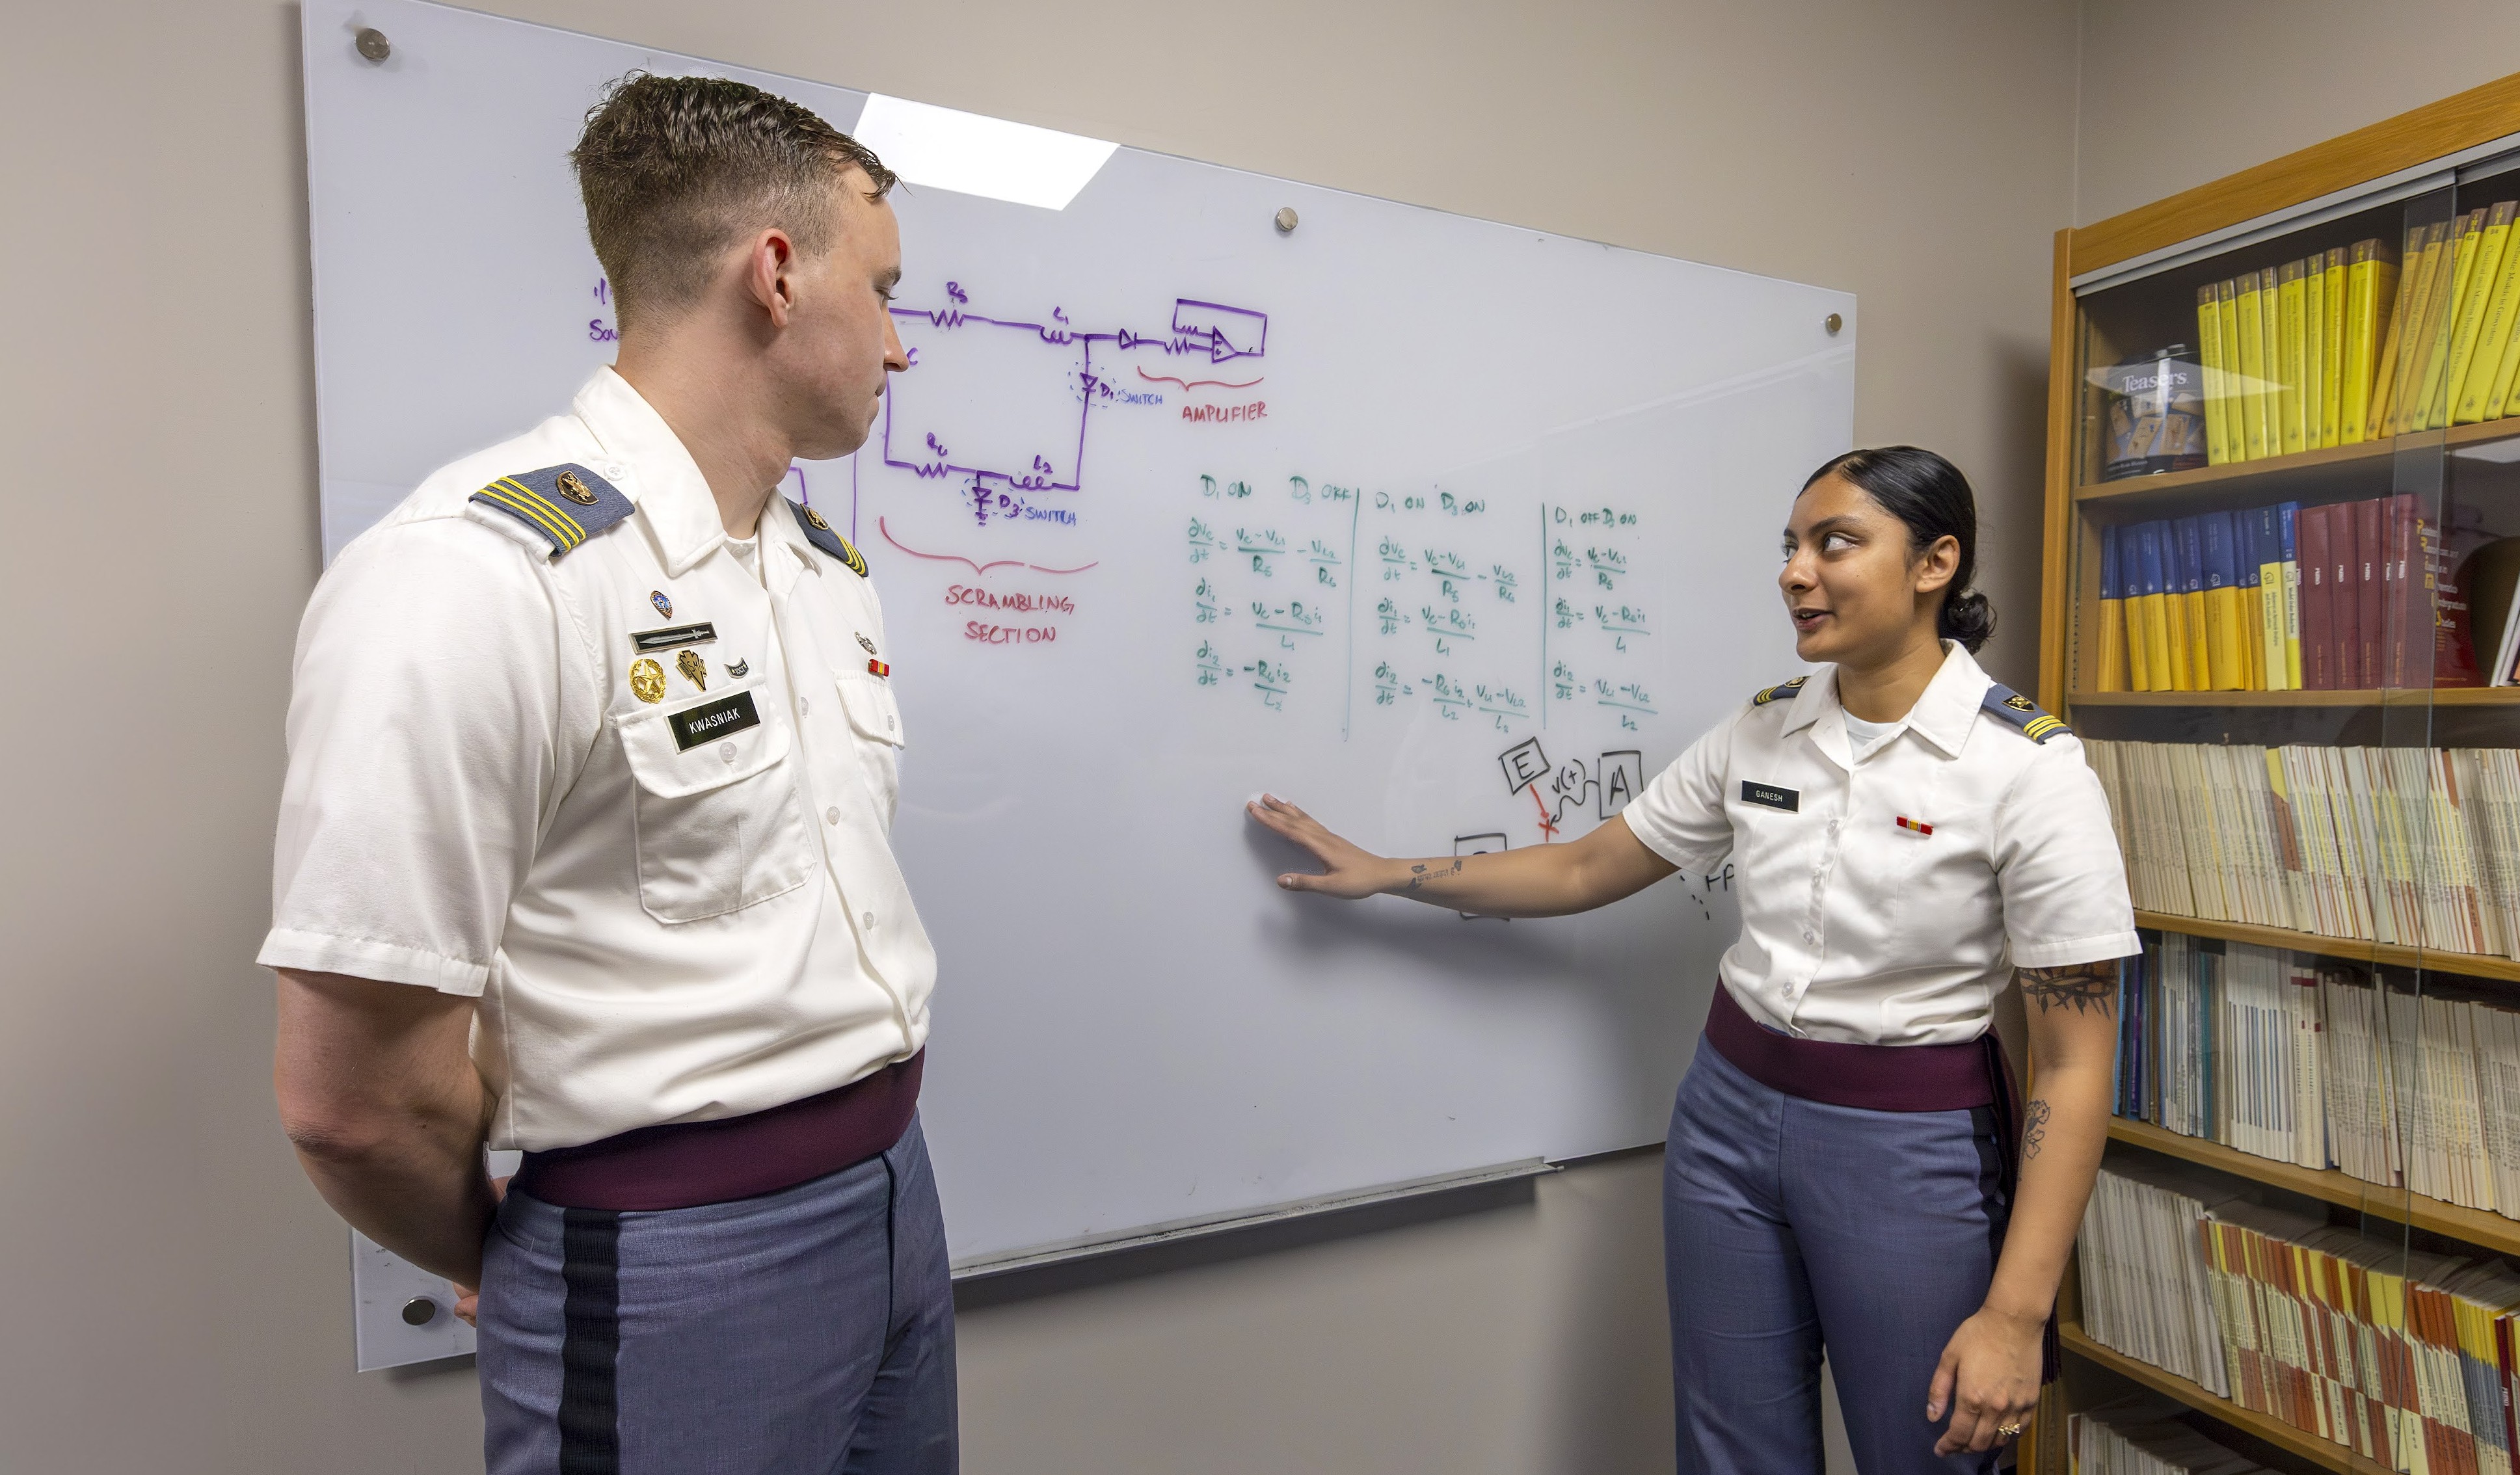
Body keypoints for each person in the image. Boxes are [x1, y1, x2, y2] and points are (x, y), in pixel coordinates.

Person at [262, 74, 954, 1474]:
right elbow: (351, 1101)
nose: (899, 346)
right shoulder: (478, 577)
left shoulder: (819, 570)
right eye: (882, 293)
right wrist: (507, 1258)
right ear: (775, 275)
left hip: (895, 1199)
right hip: (672, 1257)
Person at [1247, 446, 2134, 1474]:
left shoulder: (2028, 770)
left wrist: (2016, 1316)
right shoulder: (1764, 728)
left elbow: (2073, 1063)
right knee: (1728, 1450)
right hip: (1724, 1118)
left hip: (1905, 1149)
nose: (1794, 572)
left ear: (1934, 564)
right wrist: (1386, 873)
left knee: (1928, 1450)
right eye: (1790, 546)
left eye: (1835, 543)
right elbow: (1585, 867)